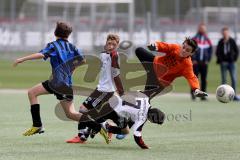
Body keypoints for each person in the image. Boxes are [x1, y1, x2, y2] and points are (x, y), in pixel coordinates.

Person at [13, 21, 108, 141]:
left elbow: (41, 54)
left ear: (55, 33)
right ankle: (37, 125)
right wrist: (72, 69)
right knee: (32, 92)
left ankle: (98, 127)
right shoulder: (72, 47)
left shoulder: (53, 45)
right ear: (68, 35)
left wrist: (22, 59)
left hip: (60, 85)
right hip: (59, 83)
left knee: (71, 114)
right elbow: (82, 60)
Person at [66, 34, 125, 143]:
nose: (111, 46)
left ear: (117, 46)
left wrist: (121, 92)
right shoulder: (103, 54)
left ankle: (85, 134)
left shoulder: (115, 56)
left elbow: (116, 75)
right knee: (91, 112)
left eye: (114, 45)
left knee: (83, 110)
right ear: (105, 43)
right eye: (109, 43)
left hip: (105, 91)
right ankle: (95, 131)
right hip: (100, 88)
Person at [134, 38, 208, 100]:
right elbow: (164, 46)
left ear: (191, 53)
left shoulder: (187, 65)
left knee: (145, 99)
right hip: (154, 64)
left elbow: (192, 77)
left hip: (160, 81)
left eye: (188, 50)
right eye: (183, 47)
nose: (184, 50)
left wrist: (196, 89)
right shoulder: (175, 48)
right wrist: (155, 46)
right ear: (182, 45)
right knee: (139, 50)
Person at [216, 27, 239, 101]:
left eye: (226, 33)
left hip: (231, 63)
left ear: (228, 33)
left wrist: (234, 59)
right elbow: (217, 52)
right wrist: (221, 60)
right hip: (223, 63)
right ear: (222, 34)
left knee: (233, 79)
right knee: (224, 80)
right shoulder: (220, 42)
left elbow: (237, 51)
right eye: (224, 33)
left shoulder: (232, 41)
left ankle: (234, 96)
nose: (225, 34)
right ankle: (222, 95)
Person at [191, 23, 212, 100]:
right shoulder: (194, 39)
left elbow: (210, 50)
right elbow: (191, 50)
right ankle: (194, 94)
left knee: (204, 80)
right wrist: (193, 59)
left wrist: (208, 60)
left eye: (204, 28)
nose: (202, 30)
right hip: (196, 63)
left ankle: (202, 95)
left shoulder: (207, 40)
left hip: (204, 63)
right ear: (198, 29)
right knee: (195, 79)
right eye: (201, 28)